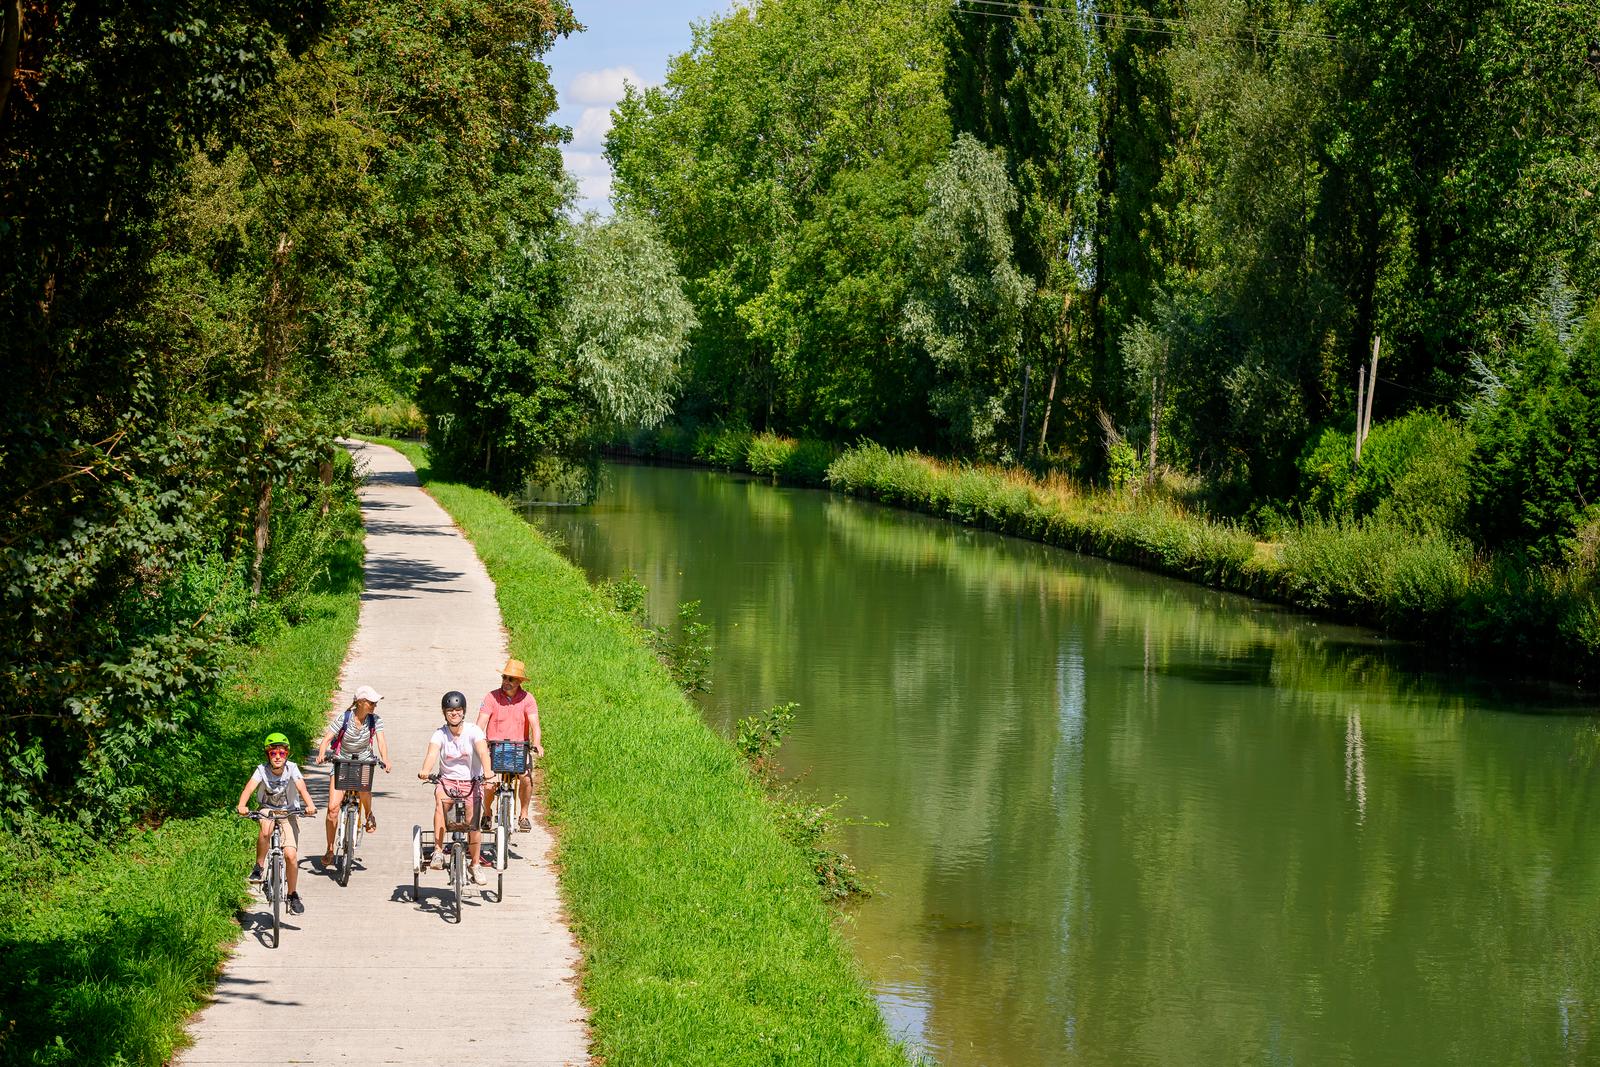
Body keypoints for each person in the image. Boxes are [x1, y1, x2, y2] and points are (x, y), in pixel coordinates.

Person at [417, 690, 496, 884]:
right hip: (447, 781)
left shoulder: (473, 731)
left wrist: (488, 773)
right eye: (450, 711)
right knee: (440, 805)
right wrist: (425, 770)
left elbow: (483, 752)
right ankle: (437, 851)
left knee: (473, 822)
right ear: (444, 713)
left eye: (458, 710)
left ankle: (475, 864)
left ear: (464, 712)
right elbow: (432, 754)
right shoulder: (440, 734)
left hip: (471, 782)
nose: (454, 714)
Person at [236, 731, 317, 915]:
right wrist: (242, 805)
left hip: (289, 812)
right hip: (267, 808)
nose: (278, 757)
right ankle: (259, 867)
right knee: (265, 829)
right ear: (268, 755)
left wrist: (310, 805)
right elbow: (249, 787)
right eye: (273, 753)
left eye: (282, 753)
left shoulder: (292, 769)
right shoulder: (261, 770)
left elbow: (301, 787)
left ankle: (292, 894)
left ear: (287, 754)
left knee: (290, 854)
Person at [315, 684, 392, 866]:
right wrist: (321, 753)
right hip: (342, 761)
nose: (374, 705)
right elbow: (326, 739)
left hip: (364, 760)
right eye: (371, 702)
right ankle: (330, 848)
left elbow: (381, 741)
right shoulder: (344, 718)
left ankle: (369, 815)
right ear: (360, 702)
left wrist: (386, 759)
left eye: (375, 702)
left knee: (364, 789)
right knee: (333, 809)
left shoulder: (375, 720)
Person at [477, 658, 544, 833]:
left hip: (518, 749)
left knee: (526, 778)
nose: (506, 682)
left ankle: (524, 815)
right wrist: (478, 741)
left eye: (511, 679)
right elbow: (480, 723)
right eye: (505, 677)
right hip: (495, 748)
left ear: (519, 681)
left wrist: (537, 743)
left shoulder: (528, 699)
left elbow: (535, 724)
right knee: (489, 783)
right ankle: (487, 812)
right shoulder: (491, 697)